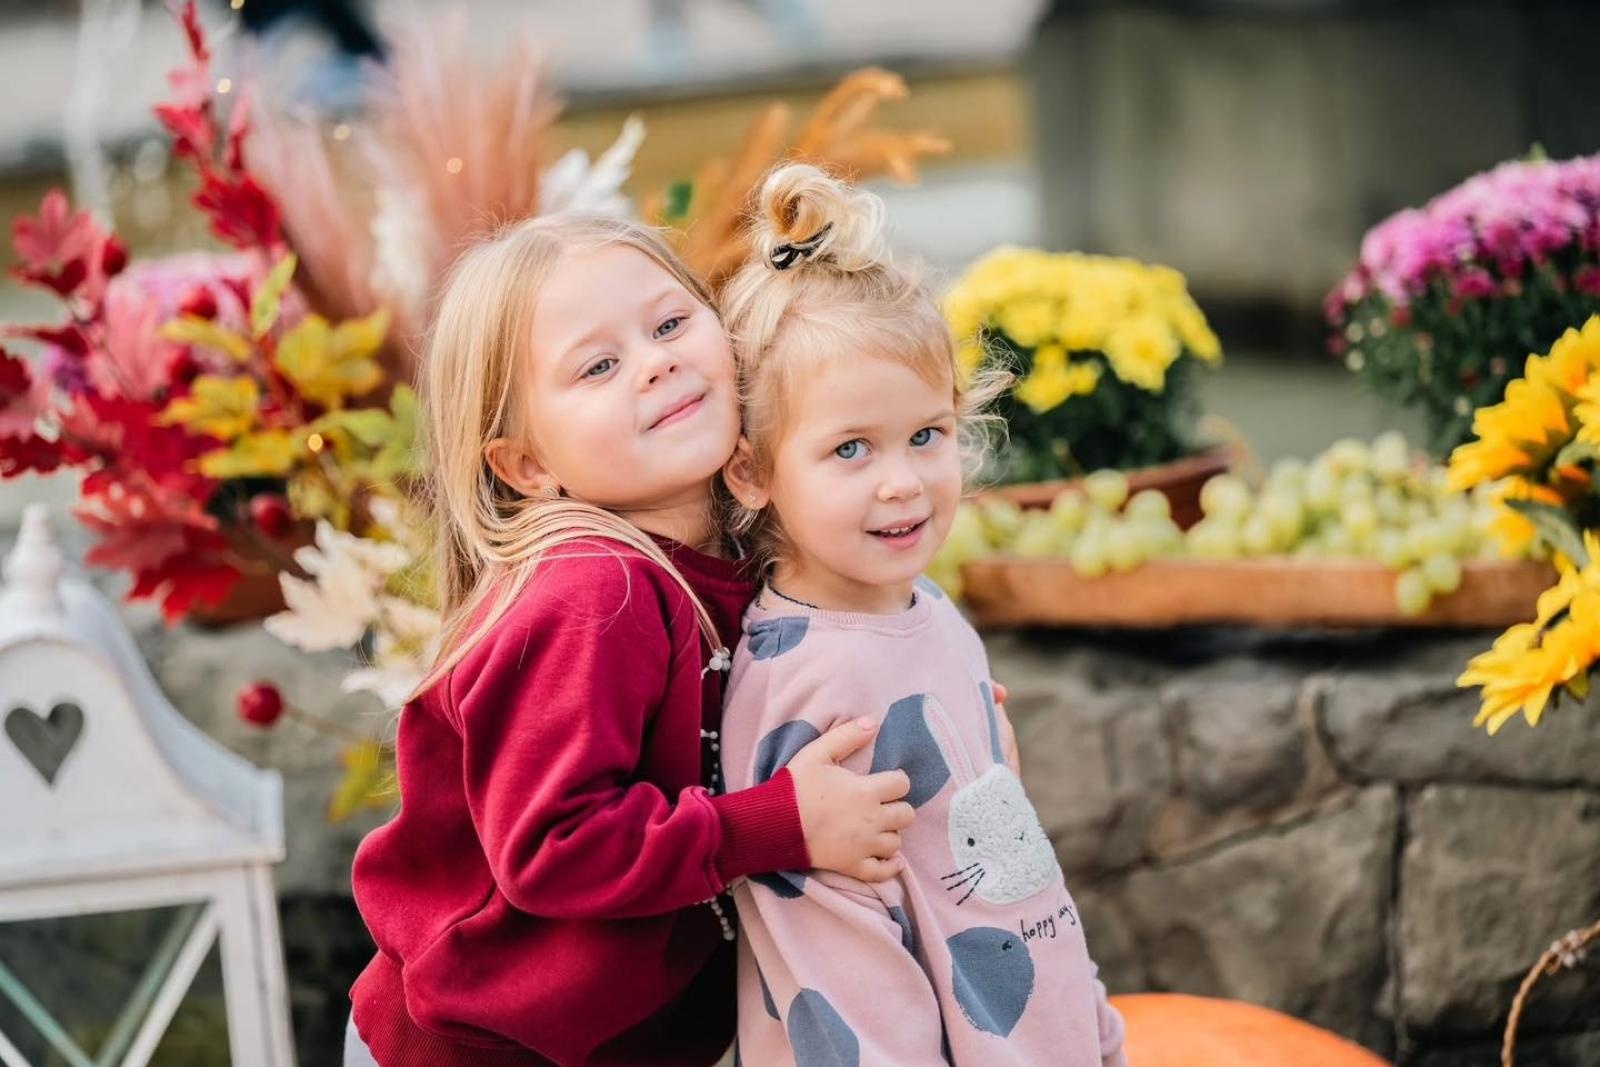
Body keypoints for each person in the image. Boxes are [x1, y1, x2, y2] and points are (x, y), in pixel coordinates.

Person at [344, 212, 916, 1066]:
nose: (656, 362)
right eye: (599, 366)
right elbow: (555, 846)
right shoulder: (591, 593)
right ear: (529, 466)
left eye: (671, 323)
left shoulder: (736, 543)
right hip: (485, 1050)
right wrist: (778, 824)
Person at [718, 163, 1128, 1065]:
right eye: (851, 449)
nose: (902, 481)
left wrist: (1093, 1029)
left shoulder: (928, 611)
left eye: (925, 435)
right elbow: (834, 965)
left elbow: (1018, 878)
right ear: (752, 471)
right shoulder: (811, 685)